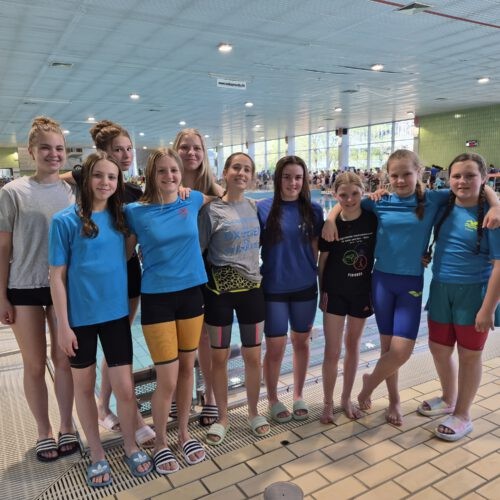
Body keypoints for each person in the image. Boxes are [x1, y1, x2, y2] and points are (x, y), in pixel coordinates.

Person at [323, 149, 500, 426]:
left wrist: (496, 204)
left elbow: (476, 188)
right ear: (387, 176)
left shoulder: (432, 199)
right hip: (382, 281)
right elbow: (346, 202)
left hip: (411, 283)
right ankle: (394, 400)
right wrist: (330, 218)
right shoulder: (380, 202)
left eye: (407, 174)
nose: (400, 180)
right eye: (394, 175)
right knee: (387, 348)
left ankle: (369, 383)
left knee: (401, 351)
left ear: (419, 172)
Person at [49, 152, 153, 487]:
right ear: (86, 179)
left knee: (124, 388)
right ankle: (96, 453)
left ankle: (130, 445)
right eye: (98, 176)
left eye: (111, 177)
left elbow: (156, 209)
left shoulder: (122, 219)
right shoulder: (64, 221)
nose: (105, 182)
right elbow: (56, 277)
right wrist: (63, 326)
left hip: (116, 316)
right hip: (79, 320)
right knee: (84, 386)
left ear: (118, 182)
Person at [63, 120, 155, 447]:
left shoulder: (135, 193)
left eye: (129, 149)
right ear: (102, 153)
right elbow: (60, 179)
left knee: (119, 344)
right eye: (118, 150)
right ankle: (122, 414)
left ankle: (105, 406)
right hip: (94, 281)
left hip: (127, 274)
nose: (126, 155)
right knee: (104, 347)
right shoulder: (89, 182)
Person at [125, 148, 209, 474]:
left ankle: (184, 434)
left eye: (174, 170)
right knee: (167, 378)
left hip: (191, 295)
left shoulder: (193, 199)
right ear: (151, 175)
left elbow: (222, 195)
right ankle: (160, 442)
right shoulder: (135, 211)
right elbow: (123, 253)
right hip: (157, 299)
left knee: (188, 369)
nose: (170, 176)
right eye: (162, 171)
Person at [0, 116, 78, 462]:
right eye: (45, 148)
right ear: (31, 152)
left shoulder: (72, 191)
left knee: (63, 359)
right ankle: (43, 430)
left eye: (59, 148)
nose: (53, 154)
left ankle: (67, 425)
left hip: (63, 286)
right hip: (24, 286)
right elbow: (3, 247)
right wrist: (1, 295)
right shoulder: (12, 192)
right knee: (33, 364)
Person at [417, 153, 500, 441]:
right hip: (441, 288)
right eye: (456, 176)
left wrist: (488, 309)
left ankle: (463, 414)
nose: (462, 181)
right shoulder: (444, 204)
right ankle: (448, 398)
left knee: (469, 354)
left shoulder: (491, 217)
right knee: (439, 347)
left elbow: (499, 266)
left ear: (484, 178)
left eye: (470, 176)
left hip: (473, 292)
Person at [199, 152, 269, 444]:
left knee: (253, 356)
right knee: (219, 357)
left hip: (252, 291)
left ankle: (253, 412)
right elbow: (199, 252)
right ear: (225, 173)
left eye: (247, 169)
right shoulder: (211, 211)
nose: (242, 173)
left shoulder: (254, 207)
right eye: (236, 168)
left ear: (252, 176)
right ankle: (223, 417)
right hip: (219, 294)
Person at [257, 155, 323, 423]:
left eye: (298, 177)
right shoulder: (263, 208)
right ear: (278, 179)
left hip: (305, 287)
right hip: (274, 288)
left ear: (304, 180)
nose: (292, 183)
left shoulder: (314, 210)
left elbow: (316, 249)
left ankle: (298, 394)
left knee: (301, 342)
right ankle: (272, 398)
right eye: (287, 177)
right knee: (275, 347)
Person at [171, 128, 223, 427]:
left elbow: (234, 203)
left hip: (207, 267)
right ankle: (179, 395)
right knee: (176, 337)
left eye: (197, 148)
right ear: (175, 150)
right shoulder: (165, 184)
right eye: (185, 147)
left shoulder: (212, 188)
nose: (191, 153)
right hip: (176, 269)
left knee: (204, 337)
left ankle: (210, 397)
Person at [318, 172, 377, 423]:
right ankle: (328, 402)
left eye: (355, 194)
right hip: (335, 292)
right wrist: (322, 292)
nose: (350, 199)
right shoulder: (330, 226)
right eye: (343, 195)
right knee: (332, 351)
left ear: (363, 193)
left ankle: (346, 398)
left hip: (361, 292)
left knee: (353, 346)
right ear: (335, 195)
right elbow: (322, 262)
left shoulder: (372, 220)